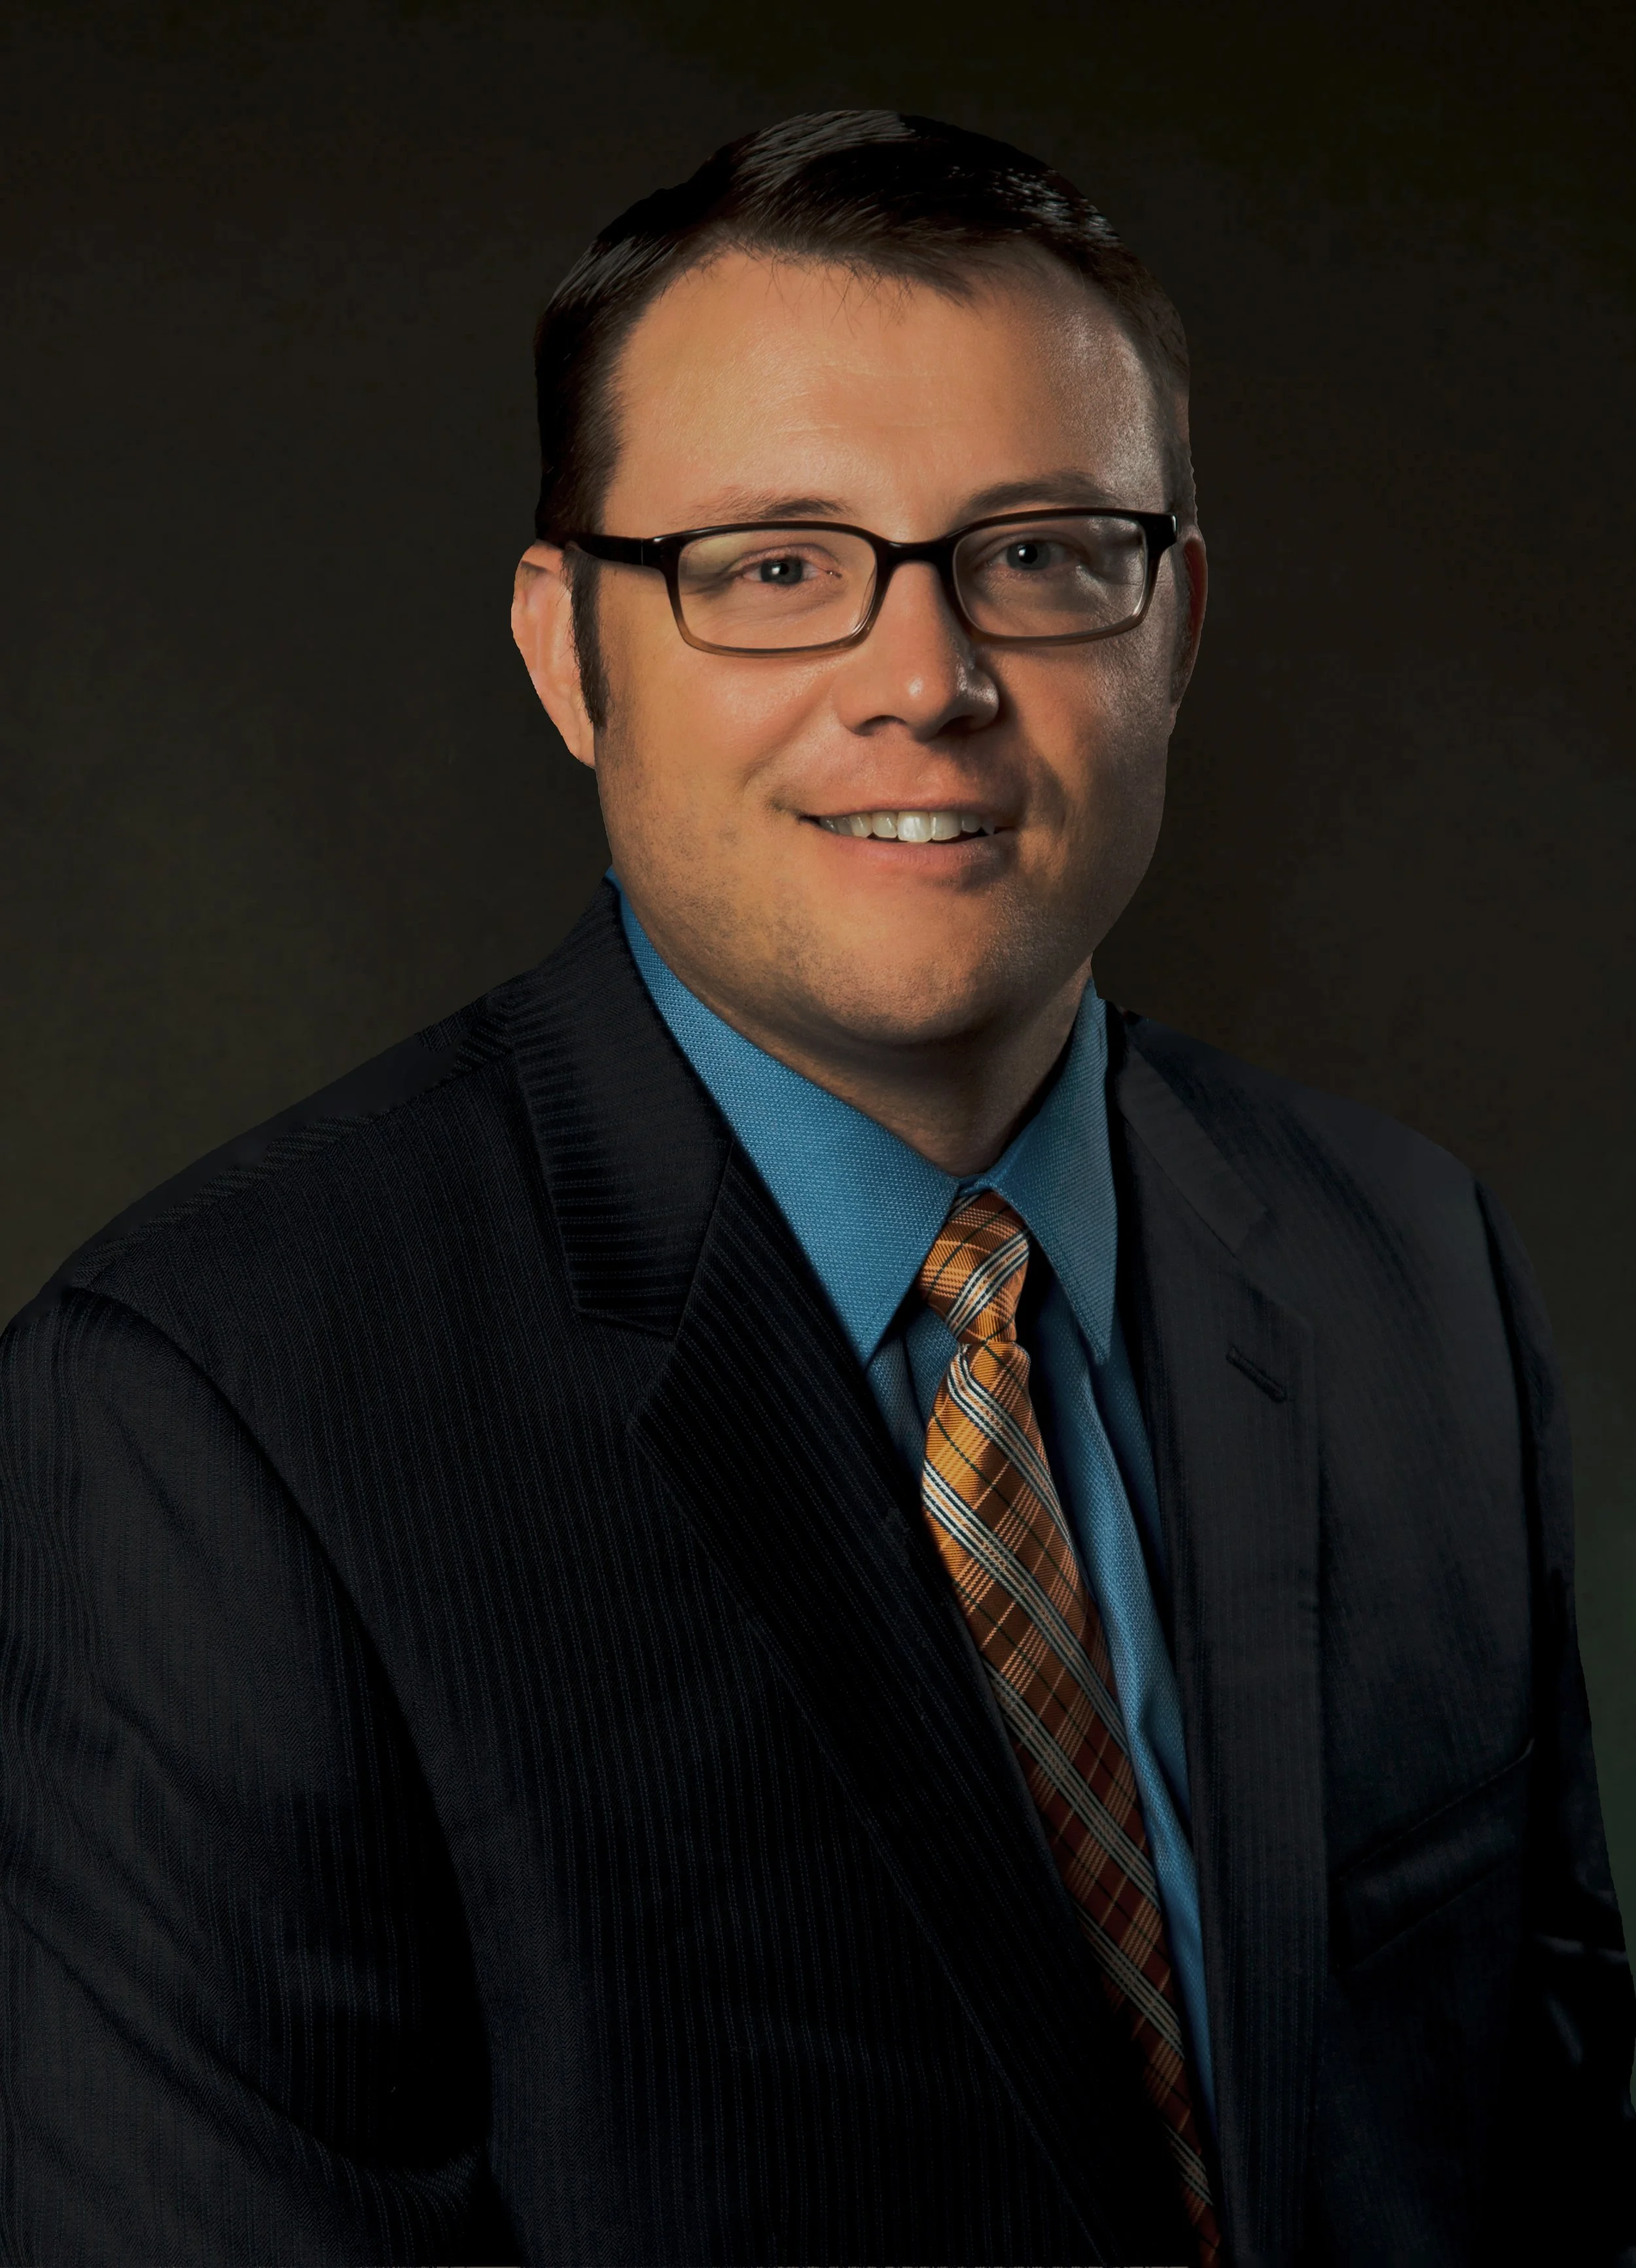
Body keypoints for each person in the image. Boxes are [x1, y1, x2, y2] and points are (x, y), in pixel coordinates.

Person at [0, 107, 1629, 2268]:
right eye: (773, 569)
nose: (924, 682)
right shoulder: (207, 1416)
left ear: (1174, 623)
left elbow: (1547, 2158)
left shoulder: (1402, 1265)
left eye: (1037, 552)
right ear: (568, 652)